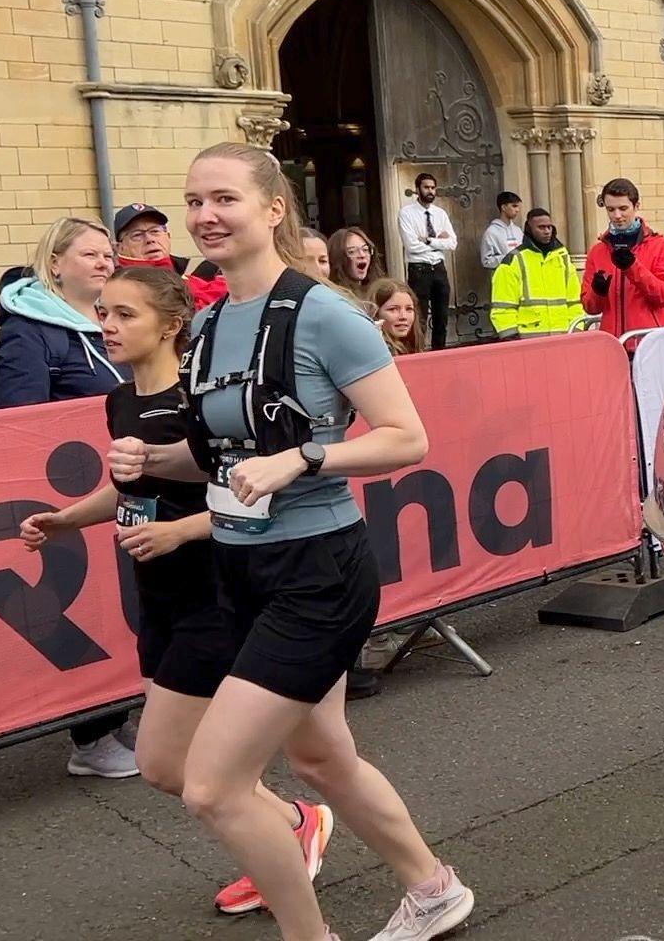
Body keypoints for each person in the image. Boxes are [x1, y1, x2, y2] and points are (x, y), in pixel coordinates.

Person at [109, 141, 473, 941]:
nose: (206, 215)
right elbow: (218, 457)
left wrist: (305, 455)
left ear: (273, 209)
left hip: (318, 569)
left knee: (211, 784)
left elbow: (406, 438)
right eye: (195, 200)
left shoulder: (325, 313)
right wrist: (149, 459)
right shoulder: (206, 323)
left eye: (225, 199)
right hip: (240, 569)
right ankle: (433, 887)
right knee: (319, 760)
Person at [18, 266, 333, 916]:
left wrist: (180, 533)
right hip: (155, 597)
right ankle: (294, 827)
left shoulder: (201, 400)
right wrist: (67, 518)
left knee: (170, 764)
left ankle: (292, 848)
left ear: (170, 325)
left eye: (125, 315)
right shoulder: (119, 400)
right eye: (103, 312)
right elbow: (132, 488)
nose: (107, 324)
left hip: (215, 593)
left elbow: (257, 492)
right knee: (174, 767)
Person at [0, 215, 137, 777]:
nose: (104, 262)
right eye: (90, 254)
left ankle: (114, 717)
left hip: (113, 485)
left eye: (107, 254)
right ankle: (92, 739)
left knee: (121, 604)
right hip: (62, 496)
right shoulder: (27, 332)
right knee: (85, 608)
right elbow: (15, 424)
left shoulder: (106, 321)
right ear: (55, 265)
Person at [581, 177, 664, 343]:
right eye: (611, 209)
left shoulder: (660, 245)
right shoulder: (597, 251)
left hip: (649, 343)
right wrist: (598, 292)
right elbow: (590, 307)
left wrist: (633, 268)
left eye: (623, 208)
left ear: (636, 206)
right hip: (613, 345)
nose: (617, 215)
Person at [115, 202, 228, 309]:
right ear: (120, 248)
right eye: (137, 235)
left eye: (155, 231)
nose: (150, 239)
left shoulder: (187, 279)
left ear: (168, 236)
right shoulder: (121, 286)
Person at [490, 209, 583, 339]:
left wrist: (577, 328)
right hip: (528, 341)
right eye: (541, 227)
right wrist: (510, 336)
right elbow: (502, 305)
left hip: (563, 337)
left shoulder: (563, 258)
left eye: (549, 227)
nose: (547, 231)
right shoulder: (514, 260)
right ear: (529, 229)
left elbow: (575, 300)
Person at [399, 173, 456, 350]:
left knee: (441, 317)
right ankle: (419, 353)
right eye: (426, 187)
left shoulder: (440, 214)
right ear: (417, 189)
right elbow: (411, 246)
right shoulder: (406, 213)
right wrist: (439, 243)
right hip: (419, 270)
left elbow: (452, 243)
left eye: (433, 188)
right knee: (419, 317)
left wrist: (429, 240)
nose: (430, 191)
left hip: (439, 268)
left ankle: (440, 352)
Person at [327, 225, 385, 307]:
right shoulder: (335, 298)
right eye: (352, 252)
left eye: (365, 249)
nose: (362, 255)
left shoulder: (378, 291)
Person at [370, 277, 424, 357]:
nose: (403, 316)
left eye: (409, 309)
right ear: (375, 313)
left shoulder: (412, 344)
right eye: (393, 309)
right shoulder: (376, 352)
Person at [480, 191, 524, 271]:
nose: (517, 210)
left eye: (518, 207)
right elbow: (486, 261)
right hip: (503, 275)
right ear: (503, 207)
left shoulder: (518, 231)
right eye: (514, 206)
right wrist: (506, 258)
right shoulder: (491, 232)